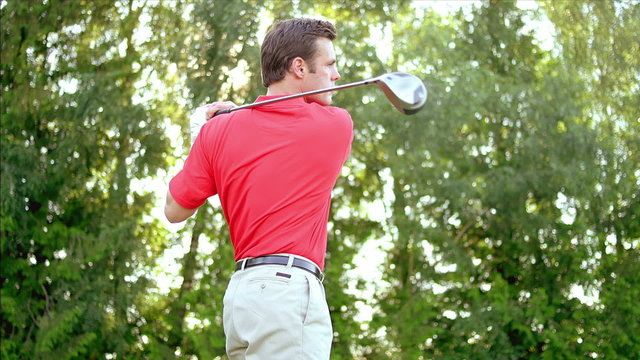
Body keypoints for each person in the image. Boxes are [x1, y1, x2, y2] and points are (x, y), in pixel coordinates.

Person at [164, 18, 353, 359]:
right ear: (298, 67)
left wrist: (201, 140)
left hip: (241, 297)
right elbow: (292, 118)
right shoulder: (335, 125)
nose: (336, 75)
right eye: (329, 65)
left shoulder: (217, 132)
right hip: (287, 292)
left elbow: (174, 211)